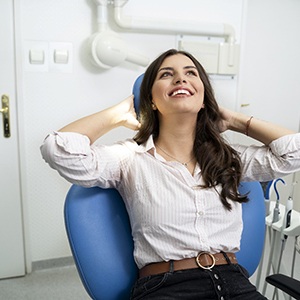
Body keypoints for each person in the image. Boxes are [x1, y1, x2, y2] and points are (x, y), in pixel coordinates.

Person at [41, 49, 300, 299]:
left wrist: (236, 121)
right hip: (166, 288)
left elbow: (294, 153)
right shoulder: (129, 158)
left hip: (235, 283)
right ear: (151, 100)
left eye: (191, 73)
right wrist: (117, 115)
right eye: (166, 74)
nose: (180, 78)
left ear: (203, 97)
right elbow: (59, 150)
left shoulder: (230, 158)